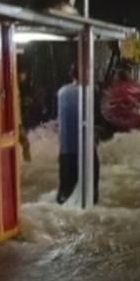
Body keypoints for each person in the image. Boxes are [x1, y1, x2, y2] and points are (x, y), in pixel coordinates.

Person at [56, 65, 99, 205]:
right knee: (91, 193)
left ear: (71, 74)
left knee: (65, 192)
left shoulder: (61, 92)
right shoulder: (90, 92)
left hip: (66, 150)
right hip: (86, 150)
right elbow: (97, 118)